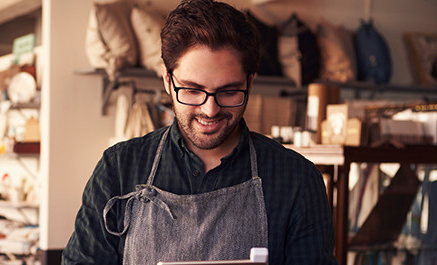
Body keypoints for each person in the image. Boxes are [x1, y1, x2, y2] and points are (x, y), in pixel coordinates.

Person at [62, 0, 339, 264]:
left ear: (250, 82)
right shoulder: (119, 169)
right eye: (192, 90)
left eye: (229, 91)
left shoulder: (296, 180)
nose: (210, 110)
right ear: (167, 80)